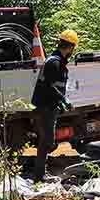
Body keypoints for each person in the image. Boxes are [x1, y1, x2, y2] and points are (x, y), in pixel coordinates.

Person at [31, 28, 78, 181]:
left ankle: (40, 174)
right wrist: (63, 100)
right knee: (47, 141)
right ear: (70, 47)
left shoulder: (57, 61)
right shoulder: (55, 62)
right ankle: (39, 176)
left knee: (47, 141)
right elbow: (49, 86)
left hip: (49, 105)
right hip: (45, 106)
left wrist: (60, 101)